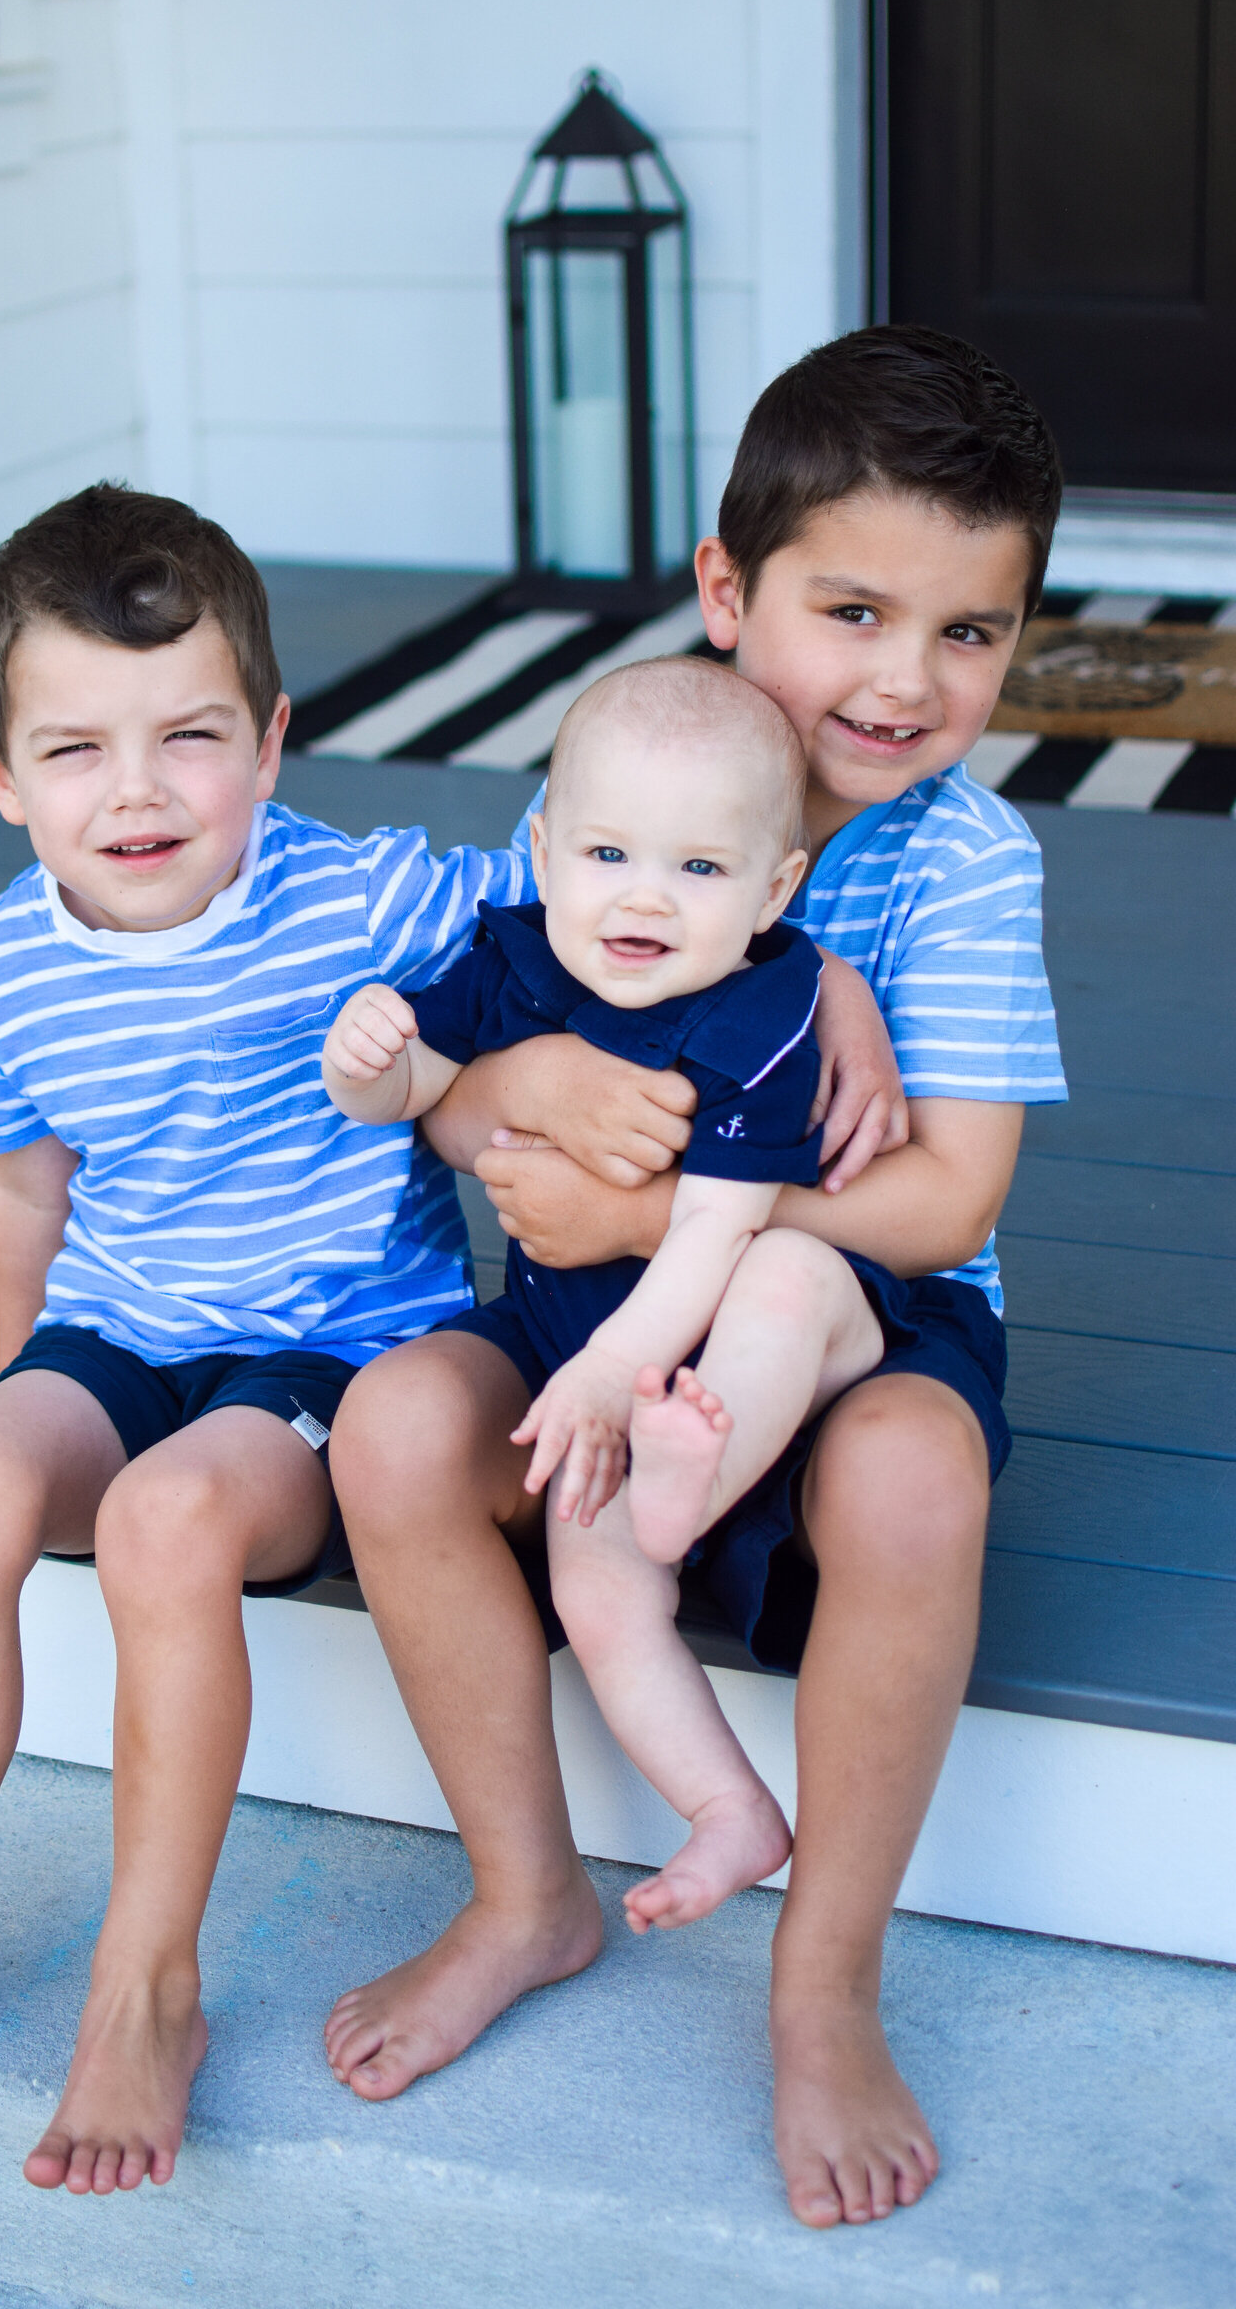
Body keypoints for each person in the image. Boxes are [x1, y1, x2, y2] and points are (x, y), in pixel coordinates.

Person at [321, 324, 1067, 2233]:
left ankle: (823, 1985)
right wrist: (502, 1088)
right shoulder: (608, 781)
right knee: (402, 1427)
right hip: (576, 1323)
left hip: (863, 1321)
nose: (907, 680)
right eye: (853, 609)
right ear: (729, 593)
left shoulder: (962, 868)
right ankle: (525, 1892)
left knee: (912, 1475)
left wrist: (662, 1224)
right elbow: (463, 1092)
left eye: (970, 633)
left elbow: (943, 1196)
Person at [0, 481, 545, 2196]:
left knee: (170, 1522)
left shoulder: (368, 898)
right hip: (125, 1329)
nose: (140, 791)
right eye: (77, 748)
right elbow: (31, 1188)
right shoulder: (0, 970)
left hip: (329, 1355)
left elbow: (593, 876)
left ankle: (145, 1984)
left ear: (271, 740)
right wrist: (15, 1372)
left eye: (191, 735)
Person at [325, 657, 897, 1935]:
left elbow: (709, 1232)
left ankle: (696, 1467)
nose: (644, 896)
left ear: (773, 888)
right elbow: (411, 1096)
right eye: (605, 853)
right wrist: (364, 1058)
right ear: (540, 847)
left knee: (784, 1270)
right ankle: (727, 1811)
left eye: (699, 870)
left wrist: (602, 1379)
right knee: (594, 1585)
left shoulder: (766, 1010)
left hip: (770, 1343)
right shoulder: (514, 963)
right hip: (609, 1373)